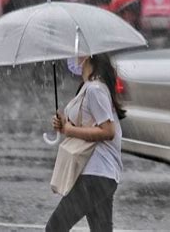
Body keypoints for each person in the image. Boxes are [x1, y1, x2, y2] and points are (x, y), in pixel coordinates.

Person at [46, 53, 125, 232]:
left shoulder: (95, 89)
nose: (73, 57)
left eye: (77, 52)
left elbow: (107, 131)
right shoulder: (88, 87)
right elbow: (88, 122)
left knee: (55, 228)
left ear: (88, 56)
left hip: (95, 174)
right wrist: (64, 123)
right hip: (101, 175)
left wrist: (69, 130)